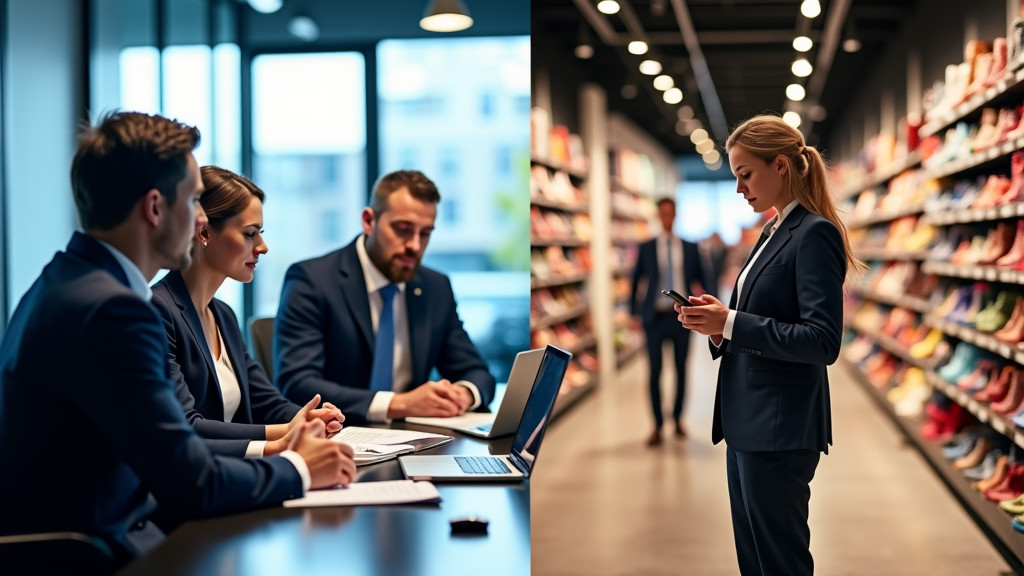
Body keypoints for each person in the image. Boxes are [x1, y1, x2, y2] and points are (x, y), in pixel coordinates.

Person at [0, 111, 355, 568]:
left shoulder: (64, 280)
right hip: (100, 553)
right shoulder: (117, 310)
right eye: (193, 201)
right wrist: (300, 467)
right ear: (155, 208)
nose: (200, 219)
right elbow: (192, 480)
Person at [677, 114, 864, 575]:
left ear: (780, 165)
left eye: (746, 173)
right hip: (749, 421)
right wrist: (720, 326)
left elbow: (822, 341)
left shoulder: (814, 232)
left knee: (780, 561)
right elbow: (766, 318)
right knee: (756, 559)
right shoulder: (773, 229)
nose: (740, 187)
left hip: (779, 427)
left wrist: (734, 321)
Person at [151, 166, 345, 458]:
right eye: (250, 234)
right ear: (203, 232)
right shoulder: (158, 310)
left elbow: (266, 401)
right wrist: (285, 435)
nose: (263, 247)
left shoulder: (224, 315)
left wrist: (312, 419)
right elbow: (187, 424)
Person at [275, 169, 496, 424]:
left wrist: (463, 394)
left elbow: (476, 371)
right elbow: (297, 383)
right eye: (403, 230)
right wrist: (399, 403)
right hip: (338, 435)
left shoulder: (436, 287)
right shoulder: (312, 280)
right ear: (369, 221)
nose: (414, 245)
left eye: (425, 233)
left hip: (416, 439)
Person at [629, 197, 705, 446]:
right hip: (654, 318)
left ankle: (678, 418)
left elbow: (705, 278)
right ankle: (658, 425)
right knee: (655, 372)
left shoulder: (690, 247)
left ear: (675, 214)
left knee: (682, 370)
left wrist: (708, 307)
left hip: (683, 317)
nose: (666, 218)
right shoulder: (647, 247)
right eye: (662, 213)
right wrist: (634, 313)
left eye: (670, 213)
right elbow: (636, 279)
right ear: (658, 216)